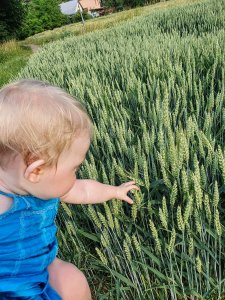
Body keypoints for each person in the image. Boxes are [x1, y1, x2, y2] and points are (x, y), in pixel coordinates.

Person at [0, 79, 140, 300]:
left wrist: (114, 191)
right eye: (74, 168)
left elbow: (83, 190)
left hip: (41, 269)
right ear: (37, 171)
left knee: (71, 278)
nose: (76, 176)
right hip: (10, 290)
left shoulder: (43, 186)